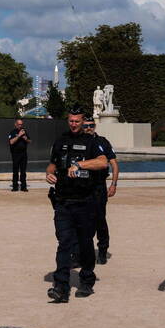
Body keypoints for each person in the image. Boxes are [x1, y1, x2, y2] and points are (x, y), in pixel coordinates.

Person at [45, 106, 110, 303]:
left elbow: (103, 162)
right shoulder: (61, 141)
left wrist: (81, 165)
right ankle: (61, 287)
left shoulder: (92, 142)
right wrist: (48, 172)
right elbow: (53, 163)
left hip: (85, 201)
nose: (74, 124)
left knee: (85, 243)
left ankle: (87, 280)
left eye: (77, 121)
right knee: (64, 243)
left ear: (83, 122)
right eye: (71, 121)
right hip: (63, 201)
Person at [83, 116, 119, 264]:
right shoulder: (77, 141)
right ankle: (81, 252)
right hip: (82, 187)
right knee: (81, 220)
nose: (88, 128)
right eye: (85, 126)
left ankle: (102, 250)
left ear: (95, 126)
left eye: (91, 125)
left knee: (99, 219)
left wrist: (114, 184)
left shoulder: (102, 142)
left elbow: (114, 164)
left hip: (98, 186)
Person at [7, 118, 30, 192]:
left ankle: (24, 186)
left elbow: (30, 141)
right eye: (19, 124)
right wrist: (19, 136)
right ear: (15, 124)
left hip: (23, 154)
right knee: (15, 171)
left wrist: (26, 138)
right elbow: (11, 142)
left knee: (23, 171)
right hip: (15, 154)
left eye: (21, 124)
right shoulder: (12, 132)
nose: (20, 126)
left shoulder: (24, 131)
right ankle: (15, 186)